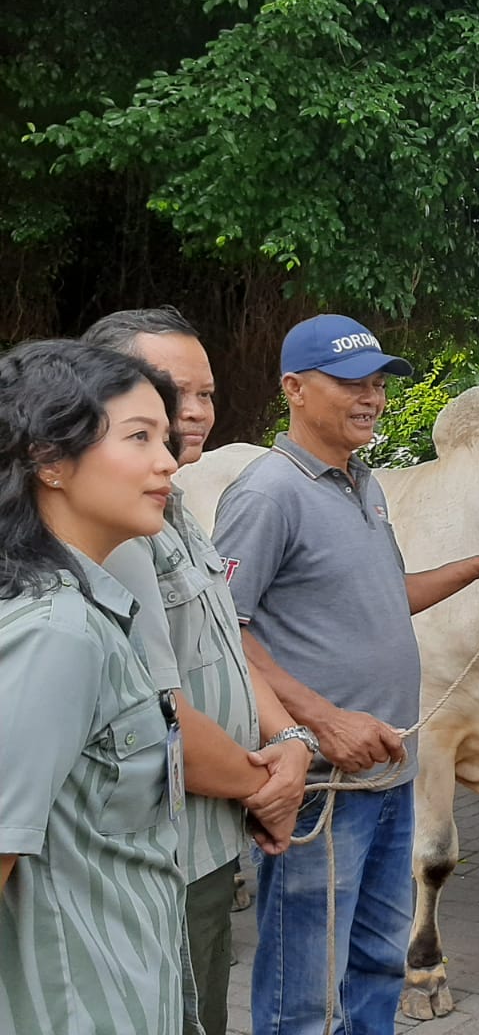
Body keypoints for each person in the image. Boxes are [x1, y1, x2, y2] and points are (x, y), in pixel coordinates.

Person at [212, 314, 479, 1035]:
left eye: (377, 383)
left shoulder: (363, 485)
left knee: (379, 968)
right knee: (304, 993)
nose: (371, 397)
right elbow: (220, 631)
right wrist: (322, 722)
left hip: (393, 777)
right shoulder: (267, 493)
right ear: (294, 389)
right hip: (325, 787)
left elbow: (390, 595)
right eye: (348, 382)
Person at [84, 307, 313, 1035]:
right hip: (159, 859)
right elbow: (154, 714)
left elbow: (224, 648)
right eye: (163, 392)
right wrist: (267, 786)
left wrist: (292, 741)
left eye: (205, 393)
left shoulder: (176, 506)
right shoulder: (113, 529)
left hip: (209, 845)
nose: (192, 412)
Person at [0, 340, 187, 1034]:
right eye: (139, 437)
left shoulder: (92, 612)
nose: (167, 462)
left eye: (165, 439)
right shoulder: (58, 635)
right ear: (49, 459)